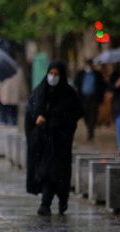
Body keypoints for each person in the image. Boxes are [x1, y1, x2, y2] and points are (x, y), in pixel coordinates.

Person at [25, 62, 83, 216]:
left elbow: (74, 114)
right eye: (51, 73)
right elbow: (31, 110)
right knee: (47, 172)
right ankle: (45, 203)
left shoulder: (69, 94)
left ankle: (60, 201)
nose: (53, 77)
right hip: (43, 142)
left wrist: (56, 123)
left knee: (59, 173)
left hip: (60, 143)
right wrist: (37, 118)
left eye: (57, 74)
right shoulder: (40, 91)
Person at [74, 59, 106, 140]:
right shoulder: (81, 74)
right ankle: (89, 127)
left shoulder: (97, 74)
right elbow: (76, 83)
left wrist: (100, 96)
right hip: (83, 98)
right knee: (85, 114)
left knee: (93, 115)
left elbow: (103, 85)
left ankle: (90, 131)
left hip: (94, 98)